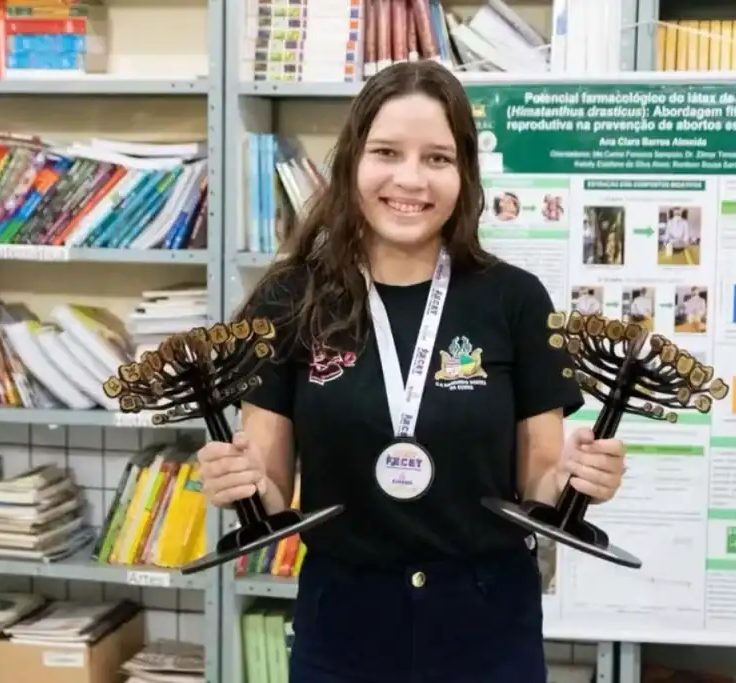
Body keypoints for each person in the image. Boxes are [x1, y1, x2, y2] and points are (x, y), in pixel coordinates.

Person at [196, 60, 627, 683]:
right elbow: (269, 487)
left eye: (437, 158)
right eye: (387, 152)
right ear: (352, 164)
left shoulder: (516, 301)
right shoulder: (290, 299)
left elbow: (539, 491)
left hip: (486, 623)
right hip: (342, 621)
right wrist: (236, 483)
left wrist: (576, 478)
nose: (410, 179)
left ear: (464, 175)